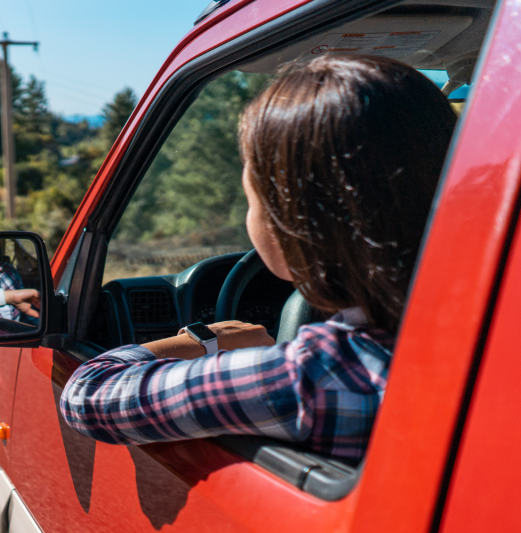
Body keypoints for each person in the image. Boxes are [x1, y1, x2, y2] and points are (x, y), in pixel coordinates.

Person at [59, 55, 458, 463]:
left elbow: (86, 395)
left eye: (252, 200)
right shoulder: (487, 337)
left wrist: (205, 340)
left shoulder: (311, 378)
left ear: (294, 225)